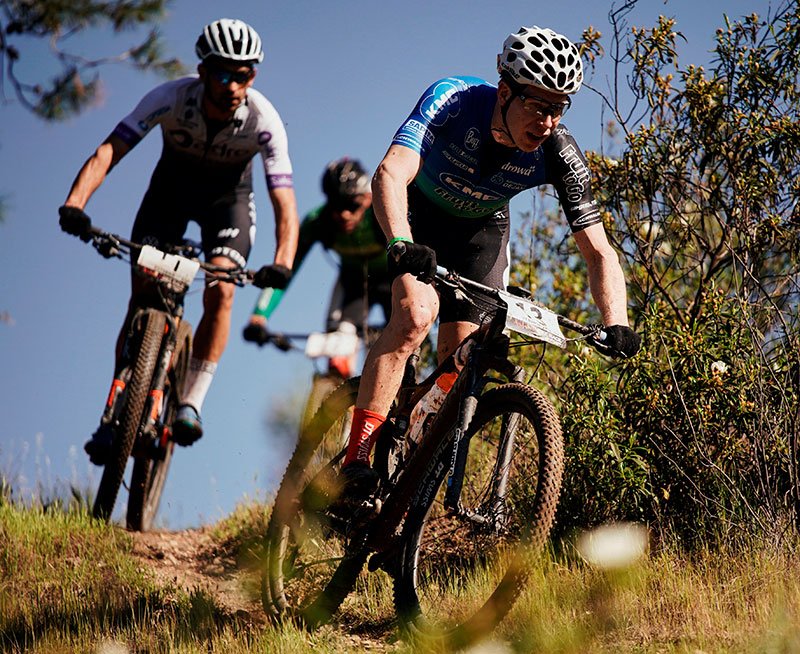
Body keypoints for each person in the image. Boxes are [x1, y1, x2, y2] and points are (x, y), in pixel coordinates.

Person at [338, 25, 642, 498]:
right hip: (417, 216)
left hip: (480, 231)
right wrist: (400, 241)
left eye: (558, 109)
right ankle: (356, 460)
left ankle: (408, 477)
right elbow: (390, 173)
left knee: (460, 364)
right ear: (505, 92)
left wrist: (616, 321)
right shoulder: (454, 100)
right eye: (537, 106)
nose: (547, 122)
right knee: (416, 315)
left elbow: (598, 249)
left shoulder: (558, 150)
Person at [58, 18, 300, 462]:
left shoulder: (263, 120)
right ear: (202, 71)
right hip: (168, 196)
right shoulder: (169, 98)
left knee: (221, 289)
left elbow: (284, 201)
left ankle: (191, 400)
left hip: (228, 204)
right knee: (142, 293)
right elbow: (109, 150)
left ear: (253, 76)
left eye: (243, 75)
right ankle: (115, 407)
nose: (232, 86)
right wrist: (75, 204)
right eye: (222, 75)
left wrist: (282, 261)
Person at [243, 157, 391, 379]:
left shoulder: (383, 210)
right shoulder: (318, 222)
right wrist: (259, 315)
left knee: (408, 338)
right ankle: (337, 386)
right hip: (353, 284)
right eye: (336, 205)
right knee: (337, 346)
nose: (344, 214)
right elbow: (285, 270)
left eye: (351, 205)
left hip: (394, 278)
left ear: (368, 198)